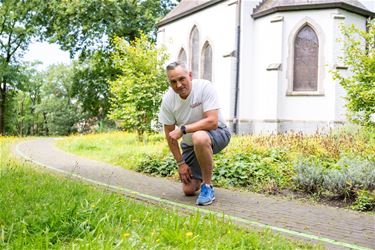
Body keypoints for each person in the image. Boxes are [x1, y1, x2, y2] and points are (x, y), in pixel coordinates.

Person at [158, 61, 231, 206]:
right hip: (191, 144)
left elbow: (212, 122)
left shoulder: (204, 87)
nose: (178, 85)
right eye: (173, 82)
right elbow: (170, 136)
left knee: (199, 137)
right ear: (169, 83)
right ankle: (199, 178)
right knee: (188, 189)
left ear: (189, 75)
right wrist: (181, 163)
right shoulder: (168, 100)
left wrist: (183, 129)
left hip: (218, 133)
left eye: (182, 79)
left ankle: (208, 187)